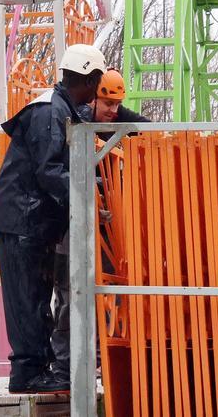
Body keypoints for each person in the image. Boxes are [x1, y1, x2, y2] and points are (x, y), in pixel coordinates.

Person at [0, 43, 106, 394]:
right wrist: (89, 197)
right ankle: (28, 373)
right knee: (28, 298)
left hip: (30, 222)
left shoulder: (62, 110)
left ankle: (34, 369)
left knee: (35, 297)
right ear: (90, 79)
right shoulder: (47, 112)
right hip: (21, 221)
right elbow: (50, 170)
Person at [50, 68, 151, 385]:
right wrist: (94, 192)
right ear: (91, 97)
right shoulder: (76, 121)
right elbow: (62, 171)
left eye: (118, 104)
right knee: (70, 292)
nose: (114, 111)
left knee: (107, 291)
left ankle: (100, 359)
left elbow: (150, 130)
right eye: (108, 104)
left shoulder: (118, 118)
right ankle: (67, 363)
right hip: (71, 225)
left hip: (107, 230)